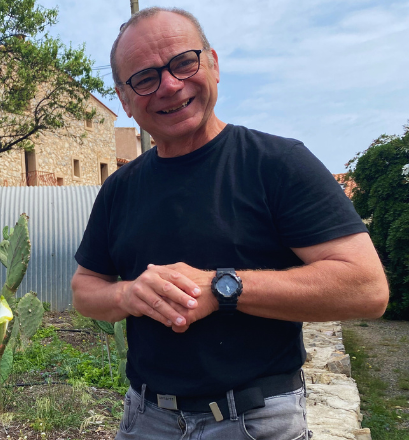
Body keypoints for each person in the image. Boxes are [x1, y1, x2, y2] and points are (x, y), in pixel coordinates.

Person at [72, 7, 389, 440]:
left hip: (256, 421)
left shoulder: (277, 164)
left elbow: (366, 289)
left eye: (184, 62)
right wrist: (129, 294)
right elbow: (85, 289)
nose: (169, 85)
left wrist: (224, 288)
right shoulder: (120, 188)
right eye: (145, 78)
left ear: (214, 64)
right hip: (146, 417)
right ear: (125, 101)